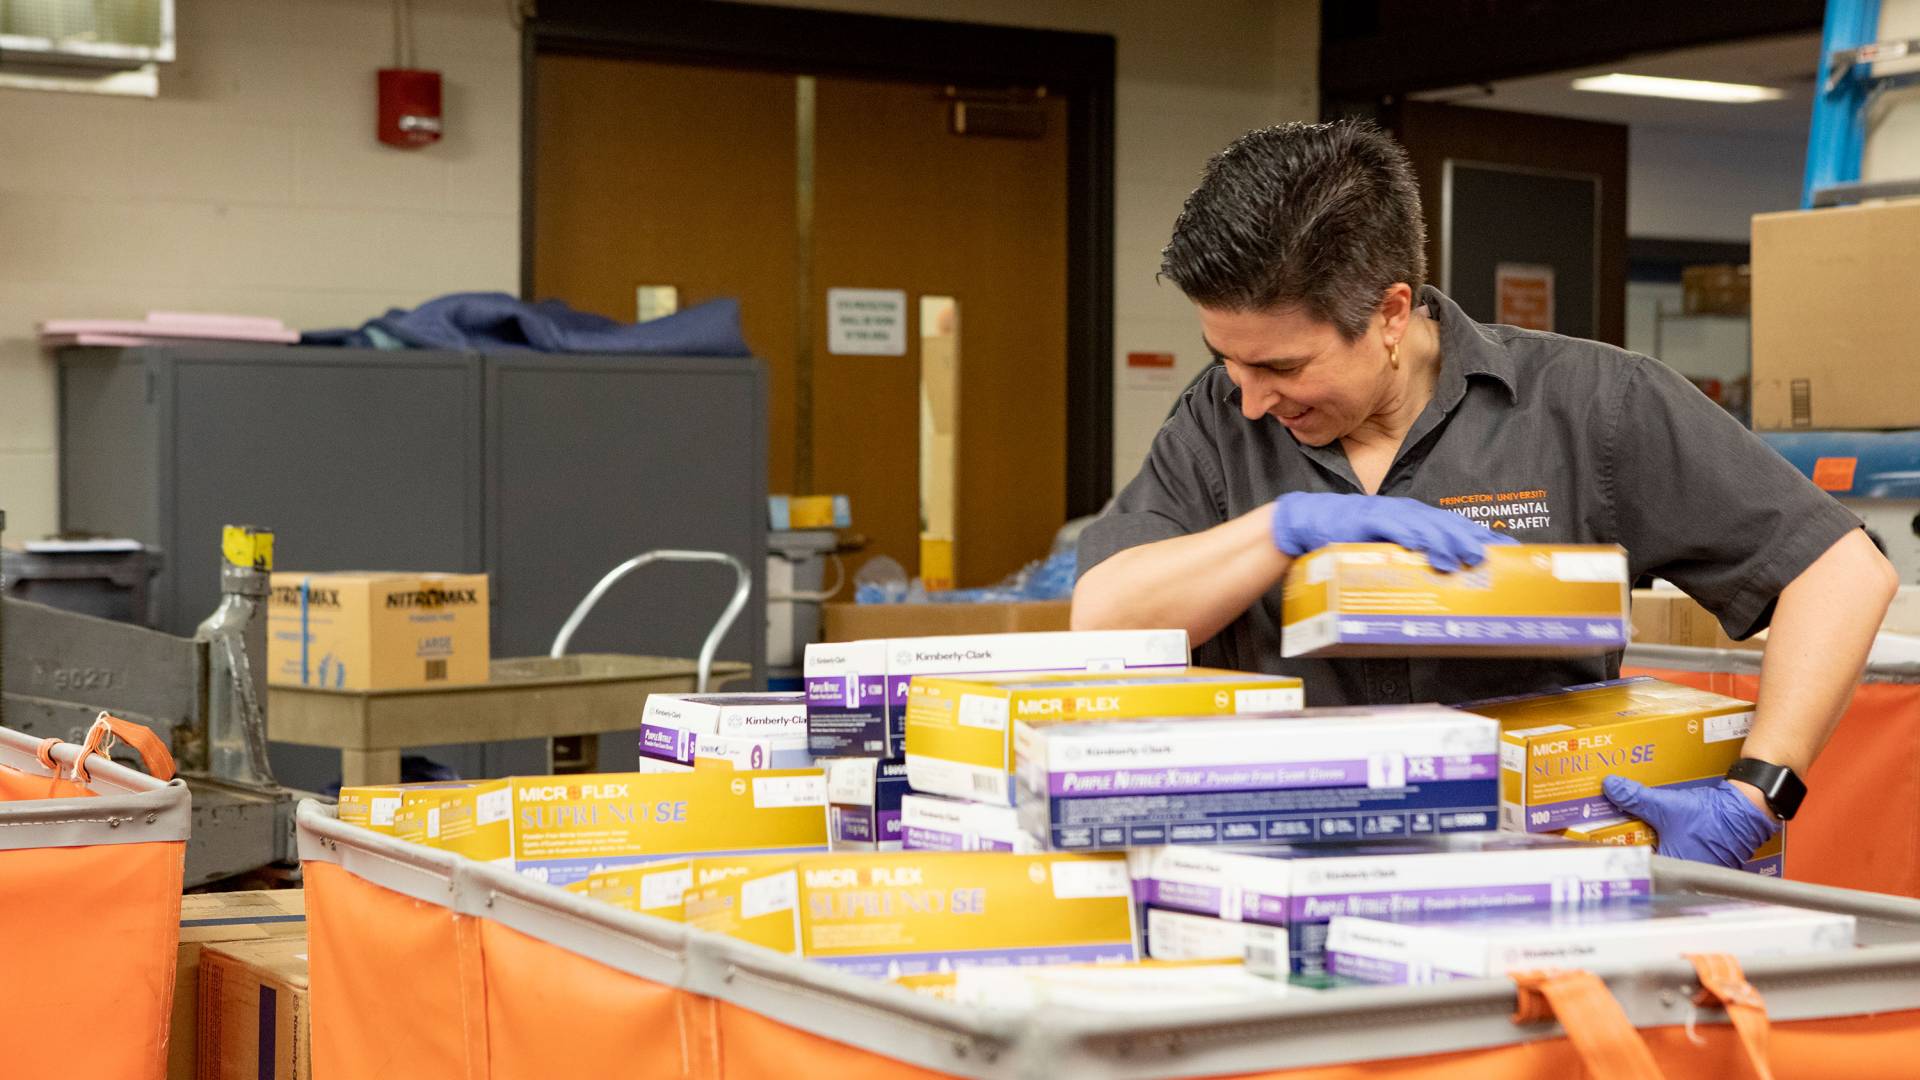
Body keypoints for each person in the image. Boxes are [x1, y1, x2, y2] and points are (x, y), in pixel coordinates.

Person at [1073, 120, 1897, 869]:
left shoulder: (1590, 405)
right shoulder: (1217, 422)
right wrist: (1281, 530)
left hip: (1541, 888)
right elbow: (1104, 619)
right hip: (1281, 889)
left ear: (1391, 313)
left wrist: (1757, 791)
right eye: (1227, 359)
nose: (1250, 397)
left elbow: (1842, 572)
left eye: (1283, 367)